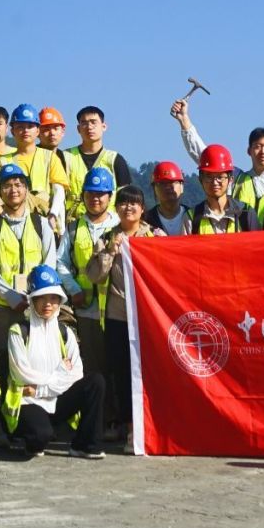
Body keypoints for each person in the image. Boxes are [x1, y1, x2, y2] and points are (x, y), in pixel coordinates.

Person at [3, 267, 106, 460]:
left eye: (53, 298)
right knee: (40, 437)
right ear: (32, 300)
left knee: (95, 382)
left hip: (49, 398)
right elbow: (22, 374)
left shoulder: (65, 333)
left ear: (60, 301)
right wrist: (60, 374)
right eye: (41, 298)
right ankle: (24, 435)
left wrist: (40, 389)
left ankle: (85, 445)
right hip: (29, 402)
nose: (48, 303)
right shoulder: (18, 331)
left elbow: (76, 374)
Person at [89, 182, 154, 438]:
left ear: (143, 208)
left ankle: (149, 423)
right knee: (122, 374)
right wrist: (109, 252)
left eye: (134, 203)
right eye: (124, 203)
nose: (129, 207)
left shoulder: (154, 237)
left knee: (149, 373)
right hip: (117, 317)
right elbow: (95, 276)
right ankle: (129, 427)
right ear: (116, 208)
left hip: (148, 318)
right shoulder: (106, 238)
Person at [0, 165, 59, 359]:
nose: (13, 190)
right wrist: (11, 296)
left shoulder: (41, 224)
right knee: (5, 355)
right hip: (2, 305)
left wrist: (38, 295)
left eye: (18, 184)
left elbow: (49, 262)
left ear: (26, 189)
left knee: (35, 354)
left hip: (36, 303)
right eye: (7, 186)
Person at [65, 167, 120, 377]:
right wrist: (74, 289)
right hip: (86, 307)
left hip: (115, 308)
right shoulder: (73, 228)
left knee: (115, 364)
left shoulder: (119, 226)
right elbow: (61, 263)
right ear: (83, 195)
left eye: (100, 194)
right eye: (90, 193)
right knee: (90, 365)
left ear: (110, 196)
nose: (95, 199)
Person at [62, 107, 133, 224]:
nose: (89, 127)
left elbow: (126, 198)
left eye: (93, 122)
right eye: (84, 123)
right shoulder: (65, 157)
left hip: (109, 225)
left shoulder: (115, 159)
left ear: (104, 126)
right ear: (78, 129)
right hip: (73, 225)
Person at [5, 105, 70, 231]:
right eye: (20, 127)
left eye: (30, 126)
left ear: (38, 131)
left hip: (44, 223)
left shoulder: (49, 157)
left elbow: (59, 191)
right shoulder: (3, 161)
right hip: (12, 224)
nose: (25, 130)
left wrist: (53, 215)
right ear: (12, 131)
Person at [189, 145, 258, 233]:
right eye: (209, 177)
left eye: (220, 177)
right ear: (200, 180)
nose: (215, 182)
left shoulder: (246, 213)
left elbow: (259, 241)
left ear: (230, 180)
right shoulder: (191, 217)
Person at [146, 161, 191, 235]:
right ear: (154, 188)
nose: (168, 187)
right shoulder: (146, 221)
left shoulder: (194, 218)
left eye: (173, 182)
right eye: (162, 183)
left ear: (182, 186)